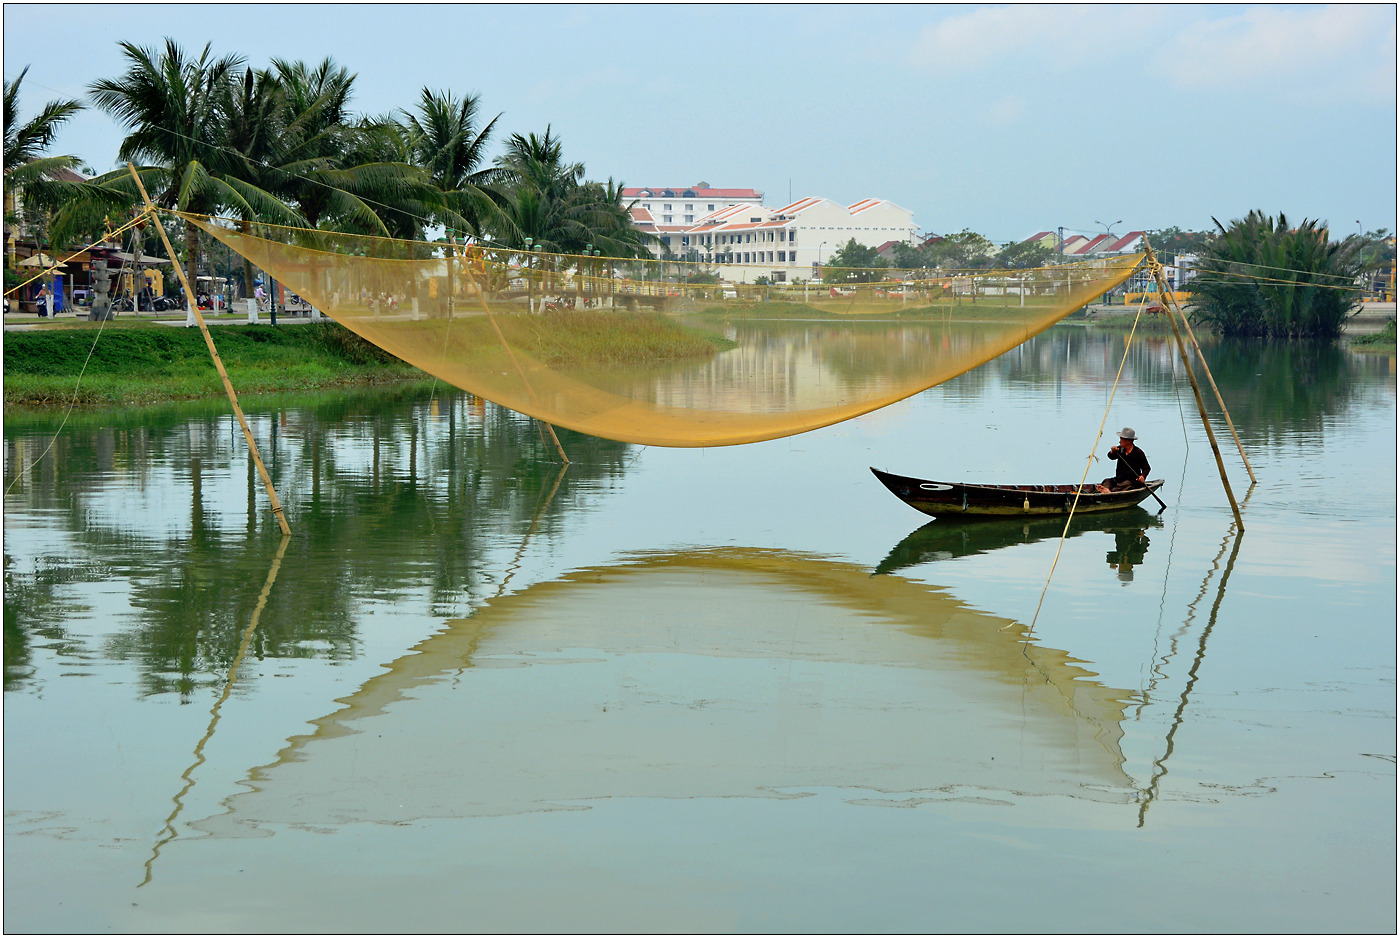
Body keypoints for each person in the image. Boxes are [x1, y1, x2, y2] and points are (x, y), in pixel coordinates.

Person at [1097, 427, 1150, 494]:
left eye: (1121, 439)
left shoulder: (1138, 452)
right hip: (1119, 479)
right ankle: (1106, 490)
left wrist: (1142, 476)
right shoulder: (1120, 449)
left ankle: (1110, 492)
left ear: (1128, 441)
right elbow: (1111, 457)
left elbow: (1146, 468)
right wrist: (1112, 452)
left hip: (1132, 481)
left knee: (1125, 485)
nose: (1119, 441)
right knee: (1107, 481)